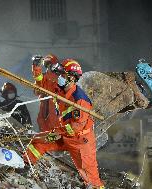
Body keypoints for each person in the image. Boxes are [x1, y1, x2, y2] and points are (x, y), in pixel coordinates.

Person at [24, 59, 104, 188]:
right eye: (59, 74)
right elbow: (42, 83)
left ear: (72, 78)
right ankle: (25, 165)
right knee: (38, 141)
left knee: (91, 178)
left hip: (80, 142)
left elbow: (76, 127)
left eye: (62, 75)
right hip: (63, 134)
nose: (59, 77)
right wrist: (36, 68)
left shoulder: (80, 100)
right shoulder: (59, 89)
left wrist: (57, 133)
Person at [31, 54, 64, 132]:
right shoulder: (44, 77)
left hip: (57, 110)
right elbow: (37, 88)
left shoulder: (62, 78)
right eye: (48, 65)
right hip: (45, 110)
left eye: (52, 65)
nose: (51, 67)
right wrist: (36, 66)